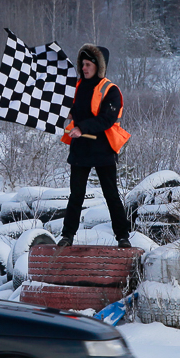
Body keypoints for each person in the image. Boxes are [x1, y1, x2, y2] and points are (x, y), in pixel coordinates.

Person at [58, 43, 132, 248]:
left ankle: (123, 237)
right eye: (82, 64)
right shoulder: (77, 87)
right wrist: (67, 114)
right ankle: (67, 236)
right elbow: (73, 110)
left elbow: (107, 119)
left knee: (111, 194)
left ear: (98, 67)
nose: (84, 68)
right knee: (76, 195)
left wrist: (81, 128)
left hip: (104, 148)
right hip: (81, 149)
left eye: (88, 64)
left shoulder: (111, 90)